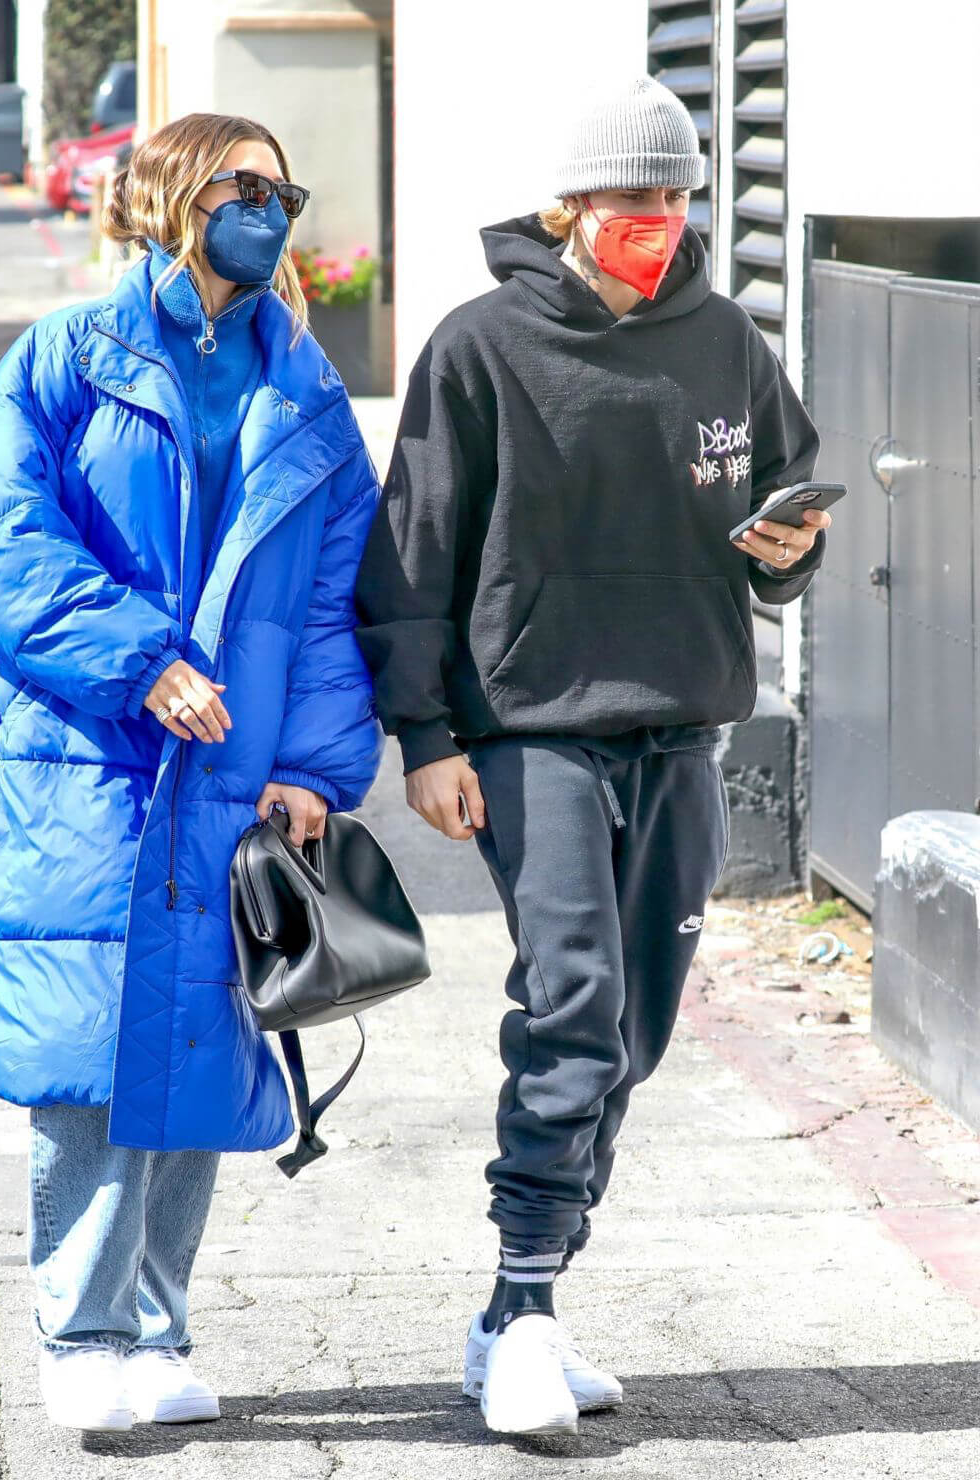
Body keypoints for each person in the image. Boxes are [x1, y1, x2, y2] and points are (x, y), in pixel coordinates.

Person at [356, 75, 831, 1438]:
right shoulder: (480, 348)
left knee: (635, 1031)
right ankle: (527, 1309)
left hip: (682, 722)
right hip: (533, 732)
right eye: (635, 200)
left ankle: (519, 1311)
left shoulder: (725, 341)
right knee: (571, 1004)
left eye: (680, 197)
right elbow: (413, 559)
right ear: (568, 206)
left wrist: (791, 553)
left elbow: (777, 497)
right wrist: (429, 739)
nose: (663, 221)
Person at [0, 113, 383, 1433]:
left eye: (286, 188)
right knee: (85, 1057)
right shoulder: (64, 358)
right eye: (246, 184)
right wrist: (138, 658)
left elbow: (334, 599)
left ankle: (156, 1333)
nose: (271, 207)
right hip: (76, 758)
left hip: (230, 771)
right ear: (175, 195)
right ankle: (82, 1333)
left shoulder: (305, 385)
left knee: (191, 1044)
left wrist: (318, 768)